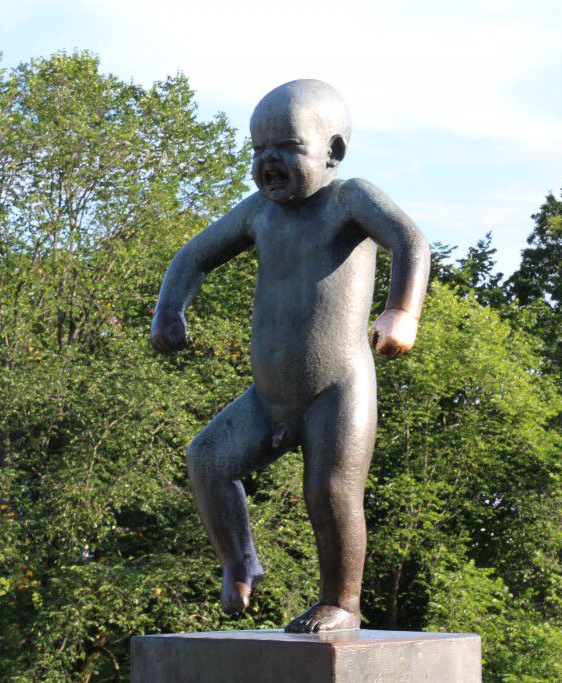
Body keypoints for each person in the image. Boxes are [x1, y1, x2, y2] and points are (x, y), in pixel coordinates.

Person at [151, 79, 430, 633]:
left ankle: (341, 602)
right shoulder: (258, 213)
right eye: (258, 150)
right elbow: (192, 257)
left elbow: (410, 241)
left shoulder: (350, 199)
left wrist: (402, 312)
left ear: (333, 152)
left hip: (337, 387)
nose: (268, 161)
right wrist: (169, 311)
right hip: (269, 397)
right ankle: (240, 559)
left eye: (286, 148)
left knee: (328, 490)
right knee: (208, 459)